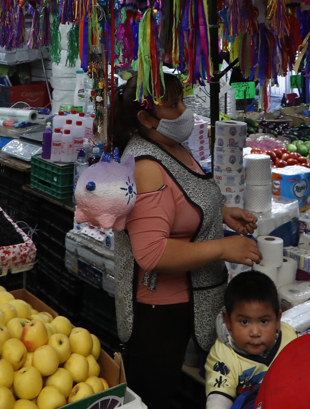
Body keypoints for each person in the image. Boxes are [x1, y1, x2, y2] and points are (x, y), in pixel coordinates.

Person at [112, 74, 261, 409]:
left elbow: (180, 201)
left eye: (183, 100)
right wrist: (223, 247)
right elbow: (152, 253)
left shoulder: (171, 146)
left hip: (192, 305)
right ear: (145, 118)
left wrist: (220, 213)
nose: (184, 111)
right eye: (173, 104)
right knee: (154, 398)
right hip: (161, 314)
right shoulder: (145, 166)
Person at [205, 270, 297, 409]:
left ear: (278, 320)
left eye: (264, 321)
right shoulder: (223, 356)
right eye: (244, 322)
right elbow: (218, 400)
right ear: (228, 320)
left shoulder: (289, 337)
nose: (255, 333)